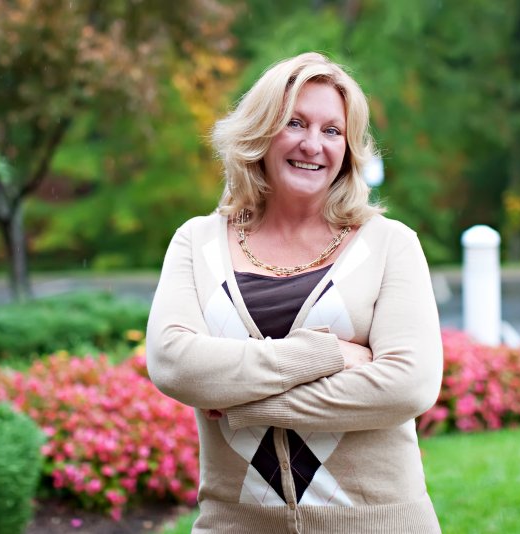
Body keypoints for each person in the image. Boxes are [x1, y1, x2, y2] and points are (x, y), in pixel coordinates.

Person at [146, 52, 443, 533]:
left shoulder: (390, 244)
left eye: (332, 130)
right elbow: (174, 362)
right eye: (295, 123)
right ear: (260, 133)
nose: (313, 144)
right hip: (234, 523)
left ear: (348, 147)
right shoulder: (197, 241)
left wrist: (239, 403)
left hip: (376, 523)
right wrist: (326, 354)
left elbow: (408, 384)